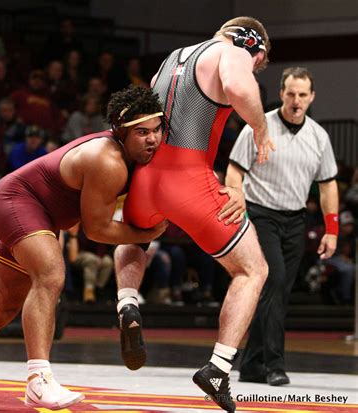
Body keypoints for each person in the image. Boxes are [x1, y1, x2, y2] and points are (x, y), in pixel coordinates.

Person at [0, 86, 168, 409]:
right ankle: (38, 380)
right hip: (17, 202)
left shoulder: (129, 156)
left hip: (34, 212)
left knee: (1, 307)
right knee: (51, 274)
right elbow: (96, 230)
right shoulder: (108, 160)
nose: (152, 139)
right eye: (142, 133)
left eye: (156, 130)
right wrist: (144, 234)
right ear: (120, 131)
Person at [113, 17, 274, 413]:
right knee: (252, 271)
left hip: (145, 176)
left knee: (138, 236)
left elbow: (141, 117)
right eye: (258, 65)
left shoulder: (170, 58)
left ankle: (127, 302)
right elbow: (238, 87)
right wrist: (260, 127)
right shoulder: (232, 52)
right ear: (256, 49)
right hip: (188, 177)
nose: (252, 70)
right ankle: (218, 368)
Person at [226, 67, 339, 387]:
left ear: (312, 97)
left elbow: (328, 185)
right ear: (281, 94)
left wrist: (332, 229)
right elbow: (234, 172)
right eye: (290, 93)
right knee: (273, 280)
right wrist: (238, 210)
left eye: (303, 95)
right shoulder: (258, 127)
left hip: (295, 220)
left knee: (278, 293)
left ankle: (250, 363)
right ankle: (274, 364)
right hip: (260, 216)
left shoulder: (318, 136)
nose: (296, 100)